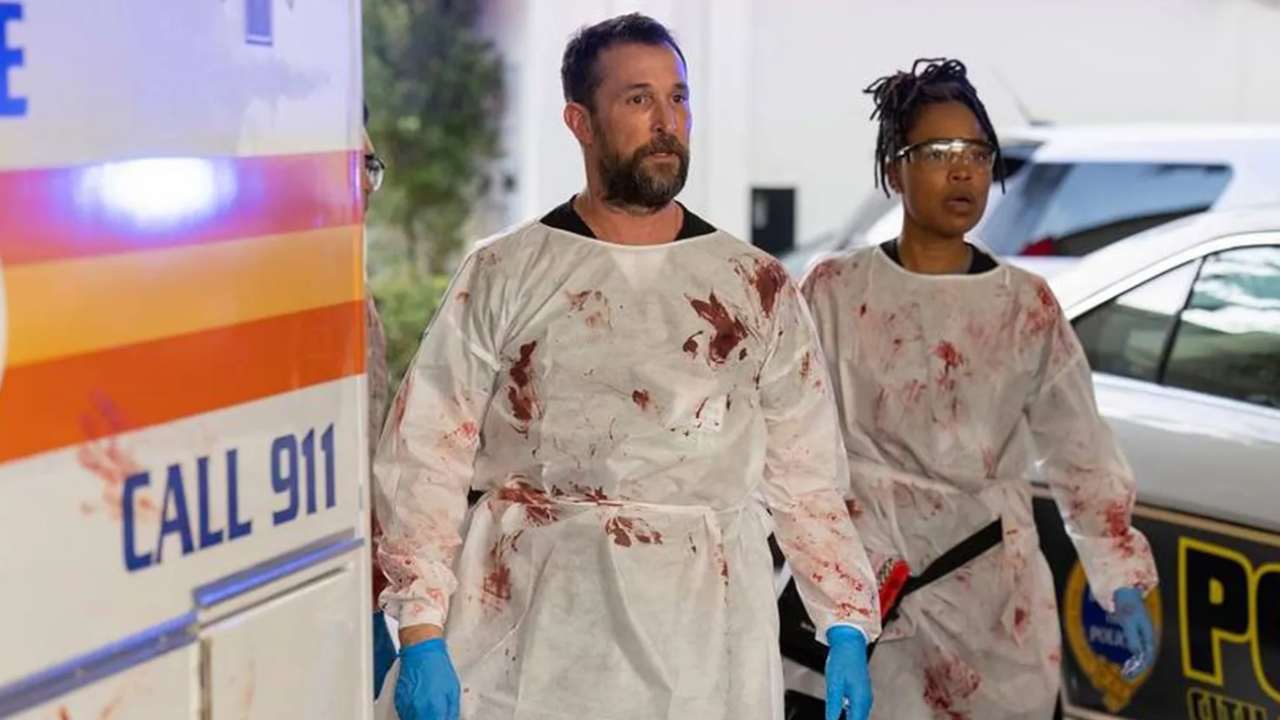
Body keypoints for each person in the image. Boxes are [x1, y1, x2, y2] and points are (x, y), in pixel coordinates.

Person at [374, 13, 878, 720]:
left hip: (706, 632)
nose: (667, 122)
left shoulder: (754, 287)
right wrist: (422, 626)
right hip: (534, 626)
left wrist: (845, 620)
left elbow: (807, 473)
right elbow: (429, 451)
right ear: (580, 122)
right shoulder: (505, 274)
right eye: (639, 99)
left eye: (679, 97)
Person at [800, 58, 1158, 719]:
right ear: (894, 171)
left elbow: (1080, 450)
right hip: (870, 593)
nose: (963, 171)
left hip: (995, 602)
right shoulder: (836, 293)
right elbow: (790, 443)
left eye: (976, 154)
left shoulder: (1025, 306)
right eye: (938, 153)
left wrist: (1119, 574)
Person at [361, 105, 398, 700]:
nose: (368, 185)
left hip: (359, 581)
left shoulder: (352, 291)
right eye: (356, 167)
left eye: (370, 167)